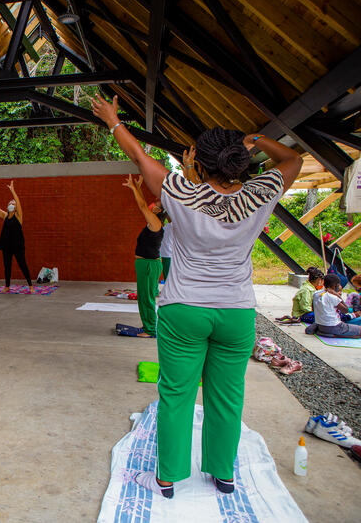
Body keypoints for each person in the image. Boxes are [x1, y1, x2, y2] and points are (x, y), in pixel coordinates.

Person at [93, 94, 303, 498]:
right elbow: (292, 161)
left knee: (176, 395)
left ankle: (168, 478)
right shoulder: (259, 195)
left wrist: (113, 120)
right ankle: (223, 473)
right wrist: (256, 139)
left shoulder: (180, 192)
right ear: (238, 163)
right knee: (227, 397)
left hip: (184, 307)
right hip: (236, 312)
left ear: (199, 164)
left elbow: (139, 156)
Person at [124, 174, 165, 338]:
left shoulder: (156, 223)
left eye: (157, 203)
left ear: (157, 210)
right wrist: (138, 188)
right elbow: (142, 205)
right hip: (146, 265)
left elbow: (142, 206)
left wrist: (134, 188)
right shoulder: (153, 222)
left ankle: (150, 329)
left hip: (148, 265)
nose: (153, 202)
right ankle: (148, 326)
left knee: (146, 298)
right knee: (143, 296)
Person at [0, 181, 33, 293]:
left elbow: (18, 202)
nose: (11, 204)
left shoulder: (19, 216)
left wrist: (12, 191)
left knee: (23, 265)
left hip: (18, 245)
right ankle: (7, 286)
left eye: (13, 204)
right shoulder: (5, 216)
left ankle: (30, 285)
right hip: (6, 245)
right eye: (10, 203)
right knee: (7, 266)